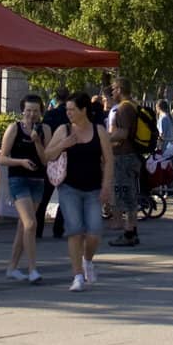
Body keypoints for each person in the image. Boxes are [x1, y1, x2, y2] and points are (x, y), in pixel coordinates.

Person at [46, 93, 113, 292]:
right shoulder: (63, 129)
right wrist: (62, 145)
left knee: (94, 231)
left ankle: (88, 260)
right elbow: (47, 155)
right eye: (67, 109)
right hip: (69, 188)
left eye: (72, 109)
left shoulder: (98, 130)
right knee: (74, 230)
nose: (68, 113)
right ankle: (77, 276)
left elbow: (108, 160)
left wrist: (106, 186)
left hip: (93, 188)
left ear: (84, 110)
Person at [0, 93, 49, 283]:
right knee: (30, 224)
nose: (31, 115)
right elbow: (2, 158)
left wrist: (37, 141)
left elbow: (46, 159)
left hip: (38, 180)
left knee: (23, 227)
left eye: (35, 111)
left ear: (41, 112)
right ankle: (33, 268)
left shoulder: (45, 130)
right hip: (18, 179)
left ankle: (12, 267)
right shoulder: (14, 128)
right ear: (22, 111)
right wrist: (20, 162)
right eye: (28, 110)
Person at [106, 78, 143, 248]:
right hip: (132, 155)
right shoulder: (133, 105)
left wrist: (105, 139)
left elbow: (123, 133)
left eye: (113, 89)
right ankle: (132, 231)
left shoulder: (124, 108)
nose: (112, 92)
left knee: (125, 194)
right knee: (130, 193)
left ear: (120, 89)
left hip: (124, 156)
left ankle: (128, 233)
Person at [37, 87, 70, 239]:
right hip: (67, 157)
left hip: (50, 157)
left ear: (56, 99)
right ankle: (59, 228)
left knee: (44, 197)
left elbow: (43, 133)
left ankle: (38, 229)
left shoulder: (50, 115)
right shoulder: (70, 115)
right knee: (65, 196)